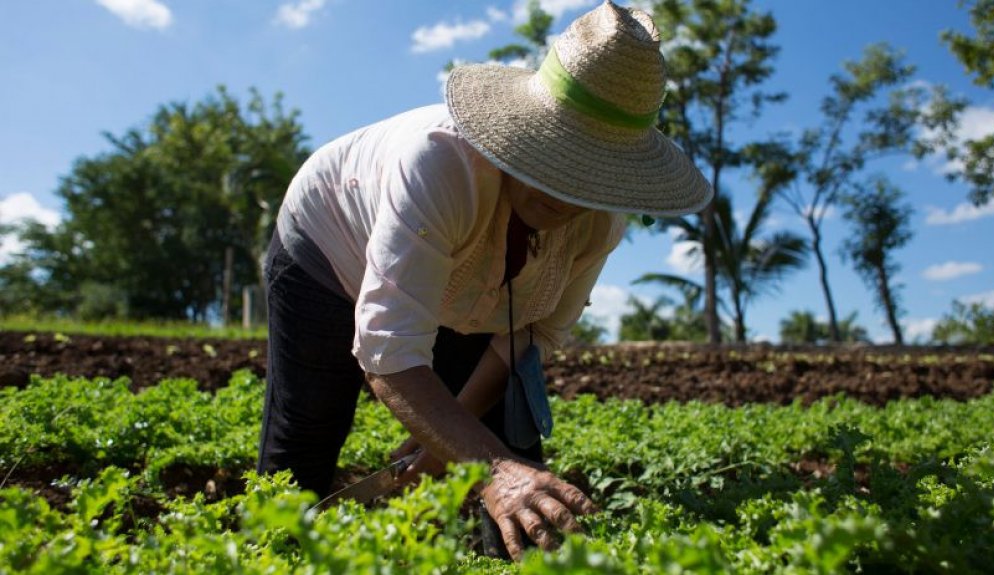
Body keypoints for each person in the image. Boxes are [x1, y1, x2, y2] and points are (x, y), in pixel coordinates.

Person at [256, 0, 711, 561]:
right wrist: (491, 469)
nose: (566, 192)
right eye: (556, 155)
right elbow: (389, 348)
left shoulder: (600, 223)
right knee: (308, 430)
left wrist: (451, 449)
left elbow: (530, 335)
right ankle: (269, 555)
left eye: (588, 172)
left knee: (511, 451)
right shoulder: (440, 165)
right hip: (328, 248)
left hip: (467, 293)